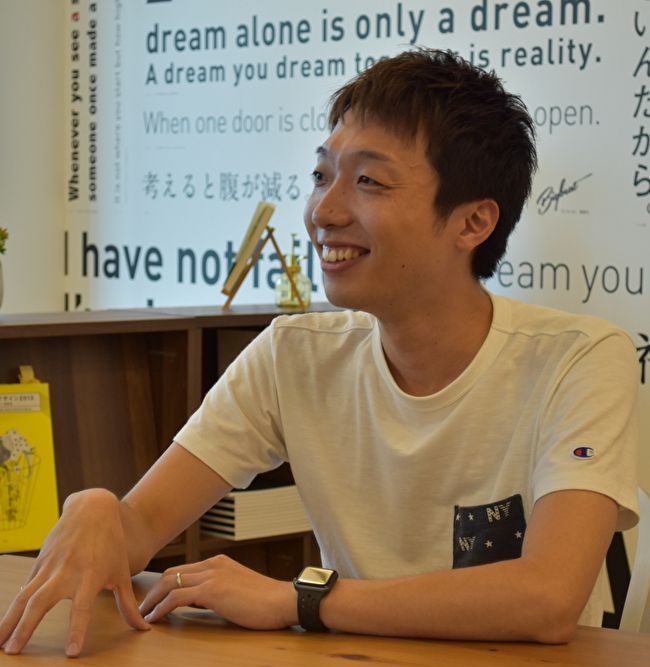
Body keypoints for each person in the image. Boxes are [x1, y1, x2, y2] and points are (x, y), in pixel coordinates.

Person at [0, 48, 639, 657]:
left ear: (473, 223)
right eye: (321, 176)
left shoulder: (580, 359)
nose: (324, 211)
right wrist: (97, 511)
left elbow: (547, 599)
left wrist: (300, 599)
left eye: (368, 181)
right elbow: (139, 529)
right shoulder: (293, 356)